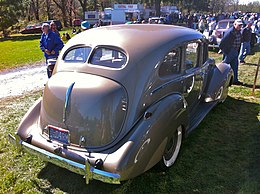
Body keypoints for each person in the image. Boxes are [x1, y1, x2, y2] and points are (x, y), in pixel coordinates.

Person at [219, 19, 243, 85]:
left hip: (235, 51)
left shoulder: (239, 31)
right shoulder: (230, 32)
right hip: (230, 51)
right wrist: (225, 51)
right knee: (224, 65)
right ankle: (219, 79)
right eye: (239, 25)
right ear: (235, 24)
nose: (240, 26)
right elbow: (222, 43)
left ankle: (235, 80)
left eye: (241, 25)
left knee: (235, 66)